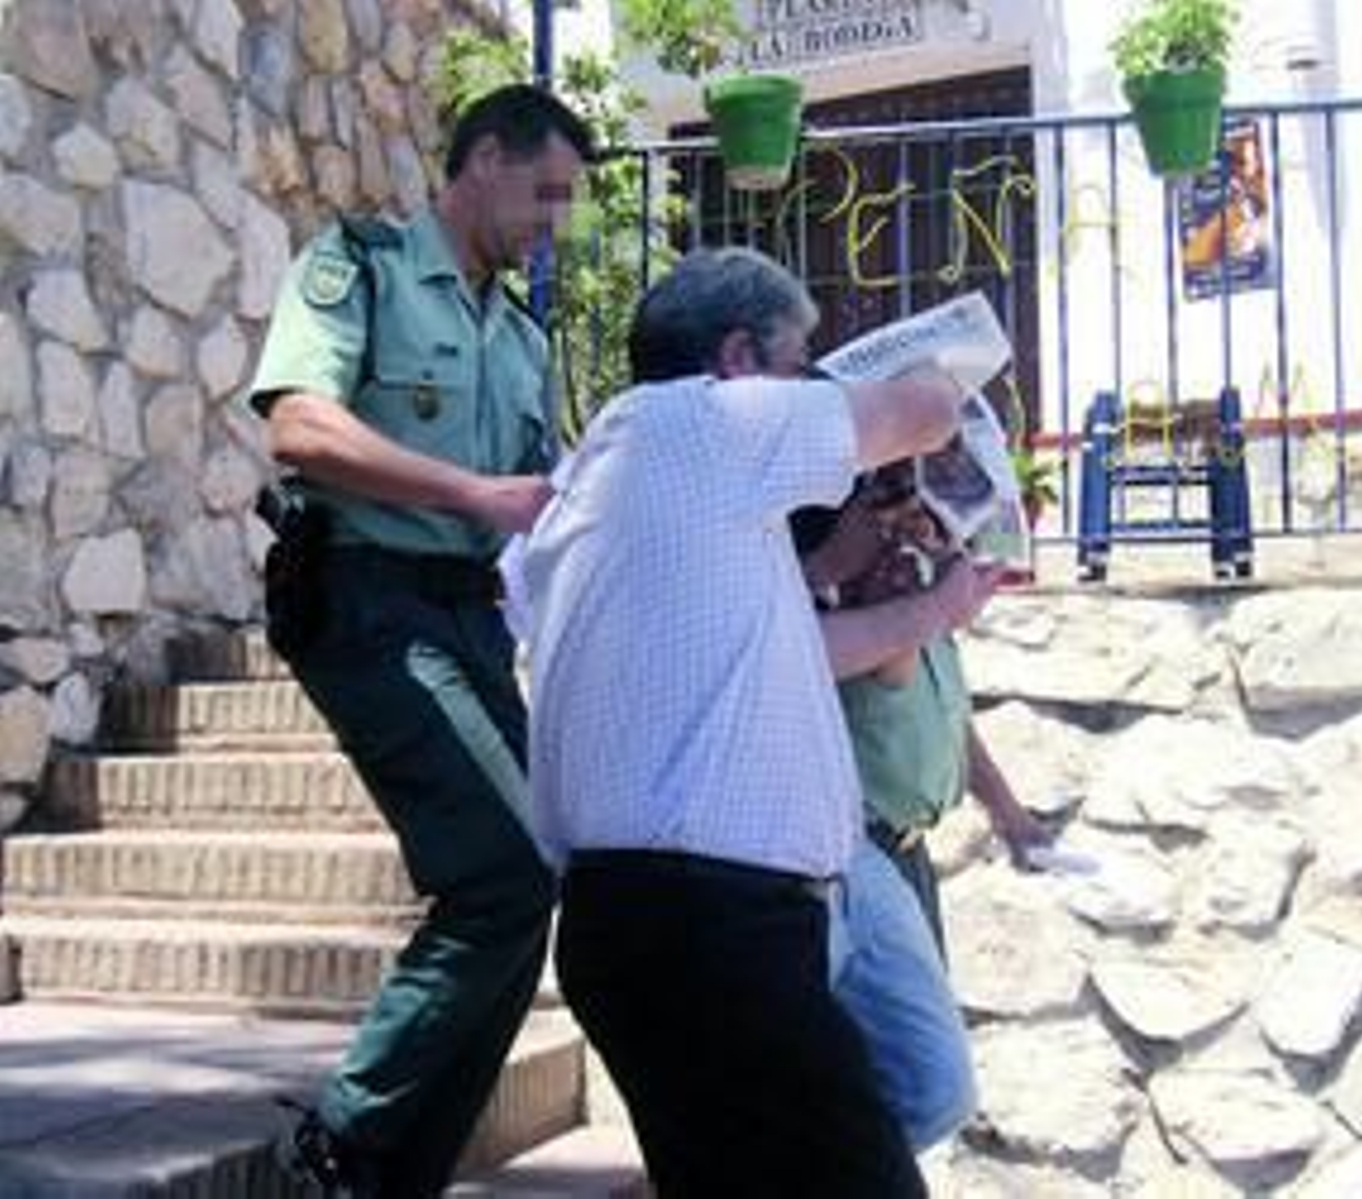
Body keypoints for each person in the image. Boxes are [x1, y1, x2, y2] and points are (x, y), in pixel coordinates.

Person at [507, 246, 992, 1197]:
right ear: (738, 360)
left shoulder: (635, 472)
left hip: (672, 922)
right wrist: (941, 358)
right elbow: (926, 412)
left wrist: (919, 604)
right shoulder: (701, 423)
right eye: (800, 361)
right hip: (710, 927)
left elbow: (775, 653)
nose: (810, 382)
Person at [245, 84, 595, 1198]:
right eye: (545, 191)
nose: (556, 220)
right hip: (367, 595)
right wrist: (471, 492)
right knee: (507, 869)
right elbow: (299, 423)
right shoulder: (364, 267)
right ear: (482, 158)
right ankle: (343, 1147)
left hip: (470, 616)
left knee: (520, 882)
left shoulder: (520, 332)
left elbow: (538, 498)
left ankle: (391, 1169)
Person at [793, 469, 1052, 1152]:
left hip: (907, 858)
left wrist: (1011, 815)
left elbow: (954, 725)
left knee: (915, 1080)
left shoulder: (920, 613)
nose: (919, 535)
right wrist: (934, 592)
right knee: (888, 1080)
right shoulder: (881, 621)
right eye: (898, 523)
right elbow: (895, 661)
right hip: (861, 854)